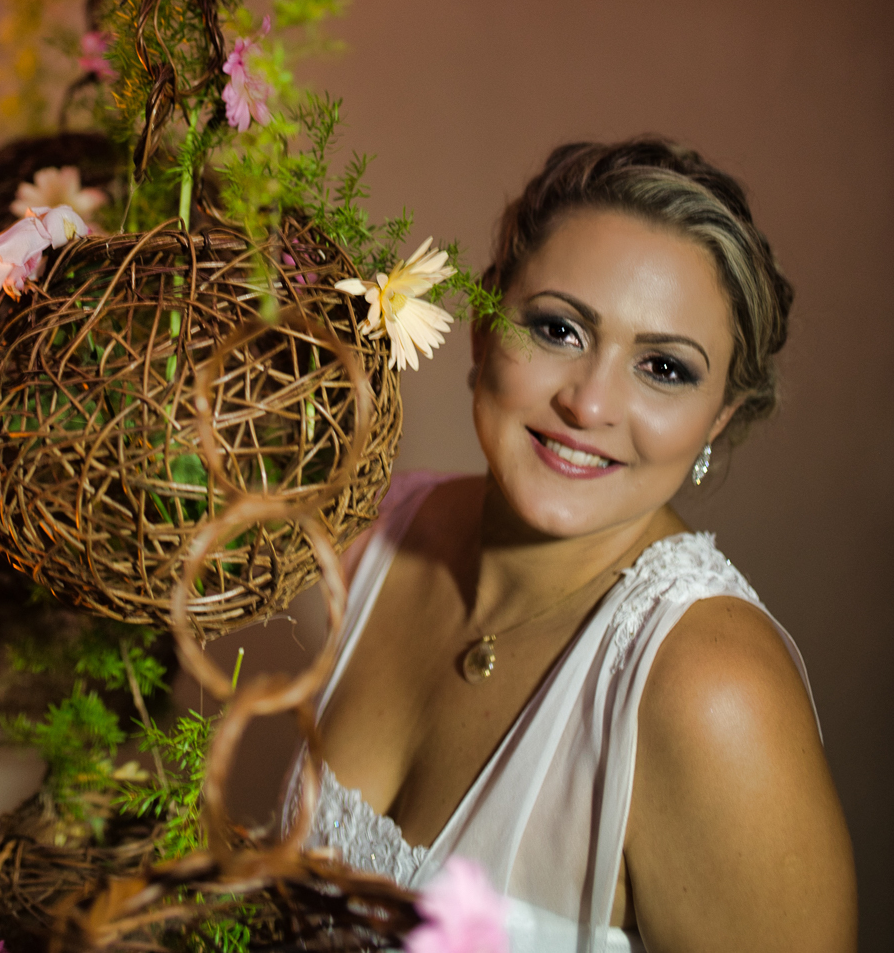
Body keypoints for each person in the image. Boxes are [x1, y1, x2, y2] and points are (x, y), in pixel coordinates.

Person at [288, 138, 857, 953]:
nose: (588, 405)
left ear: (718, 420)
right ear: (481, 328)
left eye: (663, 368)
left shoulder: (712, 693)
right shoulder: (379, 532)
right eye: (557, 329)